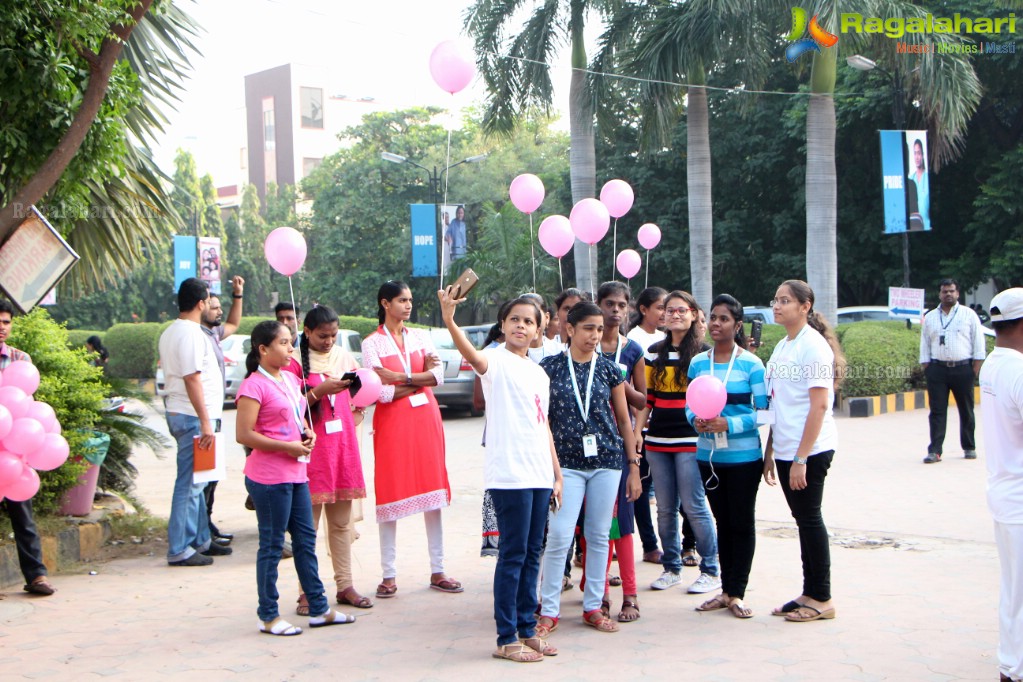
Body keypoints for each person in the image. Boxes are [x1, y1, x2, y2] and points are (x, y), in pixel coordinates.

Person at [440, 287, 562, 662]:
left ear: (540, 330)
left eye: (529, 321)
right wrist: (448, 318)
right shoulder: (495, 361)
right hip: (509, 476)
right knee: (512, 556)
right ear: (503, 326)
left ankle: (527, 628)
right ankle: (506, 637)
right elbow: (470, 354)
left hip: (540, 475)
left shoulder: (539, 372)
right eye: (514, 320)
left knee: (531, 555)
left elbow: (544, 427)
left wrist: (556, 475)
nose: (521, 326)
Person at [236, 320, 355, 635]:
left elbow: (299, 414)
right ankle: (269, 615)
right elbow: (243, 435)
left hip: (298, 473)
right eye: (284, 343)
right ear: (263, 349)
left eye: (291, 342)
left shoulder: (289, 379)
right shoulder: (253, 385)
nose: (291, 348)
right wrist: (285, 447)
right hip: (269, 478)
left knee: (305, 541)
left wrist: (306, 432)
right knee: (273, 545)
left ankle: (318, 608)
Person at [536, 301, 639, 636]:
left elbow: (623, 420)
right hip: (565, 466)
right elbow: (542, 421)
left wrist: (633, 465)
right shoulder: (549, 368)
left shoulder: (610, 368)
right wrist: (550, 469)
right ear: (569, 329)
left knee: (598, 536)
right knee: (560, 535)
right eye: (588, 328)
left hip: (607, 462)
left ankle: (593, 606)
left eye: (599, 329)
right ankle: (548, 610)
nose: (595, 335)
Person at [361, 280, 461, 598]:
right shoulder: (372, 343)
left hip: (425, 419)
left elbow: (439, 376)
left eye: (410, 300)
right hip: (392, 425)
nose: (408, 305)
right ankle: (388, 575)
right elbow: (380, 391)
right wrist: (420, 382)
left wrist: (403, 378)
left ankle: (438, 569)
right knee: (390, 494)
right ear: (385, 303)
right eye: (402, 300)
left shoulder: (420, 336)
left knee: (433, 492)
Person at [763, 279, 845, 623]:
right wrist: (770, 450)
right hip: (784, 449)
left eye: (785, 300)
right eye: (776, 300)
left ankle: (822, 597)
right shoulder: (784, 344)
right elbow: (777, 402)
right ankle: (809, 591)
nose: (777, 306)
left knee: (810, 519)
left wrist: (800, 458)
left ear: (805, 307)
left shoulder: (813, 347)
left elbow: (820, 406)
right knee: (802, 520)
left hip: (809, 451)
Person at [634, 289, 721, 595]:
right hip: (658, 441)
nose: (675, 315)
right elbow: (648, 401)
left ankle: (711, 568)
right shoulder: (653, 353)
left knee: (695, 506)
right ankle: (671, 568)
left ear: (695, 314)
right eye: (669, 310)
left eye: (682, 310)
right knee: (665, 508)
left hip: (690, 441)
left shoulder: (704, 355)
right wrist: (637, 437)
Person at [687, 294, 768, 619]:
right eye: (713, 318)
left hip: (745, 458)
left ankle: (737, 592)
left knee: (742, 523)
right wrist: (696, 420)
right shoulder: (697, 363)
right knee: (722, 522)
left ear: (737, 324)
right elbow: (689, 405)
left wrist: (728, 423)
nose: (716, 324)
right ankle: (724, 590)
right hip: (709, 458)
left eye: (724, 319)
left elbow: (764, 413)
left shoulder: (752, 364)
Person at [289, 305, 371, 615]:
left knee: (340, 523)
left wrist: (358, 403)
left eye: (333, 336)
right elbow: (289, 408)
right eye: (323, 336)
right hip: (311, 451)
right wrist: (318, 392)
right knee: (306, 527)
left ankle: (345, 585)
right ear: (307, 332)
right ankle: (307, 591)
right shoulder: (293, 363)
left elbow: (356, 394)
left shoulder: (343, 357)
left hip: (342, 448)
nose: (328, 341)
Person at [157, 278, 230, 566]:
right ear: (200, 303)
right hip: (192, 416)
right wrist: (205, 422)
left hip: (192, 415)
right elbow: (191, 377)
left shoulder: (174, 332)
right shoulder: (188, 333)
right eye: (208, 300)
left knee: (199, 480)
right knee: (189, 484)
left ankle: (200, 539)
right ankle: (179, 548)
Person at [589, 282, 646, 623]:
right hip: (587, 447)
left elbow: (641, 400)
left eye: (622, 305)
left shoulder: (633, 349)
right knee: (596, 525)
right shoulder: (583, 345)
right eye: (609, 304)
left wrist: (636, 437)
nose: (615, 311)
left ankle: (631, 594)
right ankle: (599, 594)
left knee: (622, 522)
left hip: (621, 445)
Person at [978, 288, 1023, 682]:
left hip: (1005, 493)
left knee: (1014, 589)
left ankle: (1011, 663)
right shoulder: (1018, 371)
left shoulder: (993, 364)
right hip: (1019, 498)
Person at [0, 299, 56, 596]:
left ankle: (36, 575)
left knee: (23, 512)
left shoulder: (21, 359)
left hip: (13, 453)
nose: (2, 327)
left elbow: (27, 404)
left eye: (6, 322)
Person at [198, 275, 245, 546]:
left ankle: (207, 524)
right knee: (203, 478)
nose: (218, 311)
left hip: (214, 415)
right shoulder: (196, 335)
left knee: (211, 477)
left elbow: (234, 323)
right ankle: (201, 531)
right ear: (200, 306)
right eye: (213, 306)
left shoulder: (213, 333)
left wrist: (237, 295)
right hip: (204, 416)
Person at [919, 278, 986, 463]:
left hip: (963, 369)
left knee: (966, 410)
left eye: (951, 291)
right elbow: (924, 343)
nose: (948, 294)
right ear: (939, 294)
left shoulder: (969, 315)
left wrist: (974, 370)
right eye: (944, 291)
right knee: (937, 411)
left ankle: (969, 447)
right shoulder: (931, 316)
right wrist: (927, 367)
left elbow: (978, 344)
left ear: (957, 293)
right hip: (937, 370)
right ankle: (935, 450)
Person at [626, 287, 667, 565]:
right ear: (644, 309)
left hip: (666, 424)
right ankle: (650, 544)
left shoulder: (668, 338)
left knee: (664, 491)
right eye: (660, 307)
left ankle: (676, 545)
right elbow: (633, 388)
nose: (665, 313)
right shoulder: (633, 340)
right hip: (641, 425)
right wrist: (637, 427)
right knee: (640, 487)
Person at [907, 138, 930, 231]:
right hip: (914, 226)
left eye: (919, 153)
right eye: (915, 153)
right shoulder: (910, 179)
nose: (917, 157)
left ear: (923, 155)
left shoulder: (927, 177)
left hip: (927, 226)